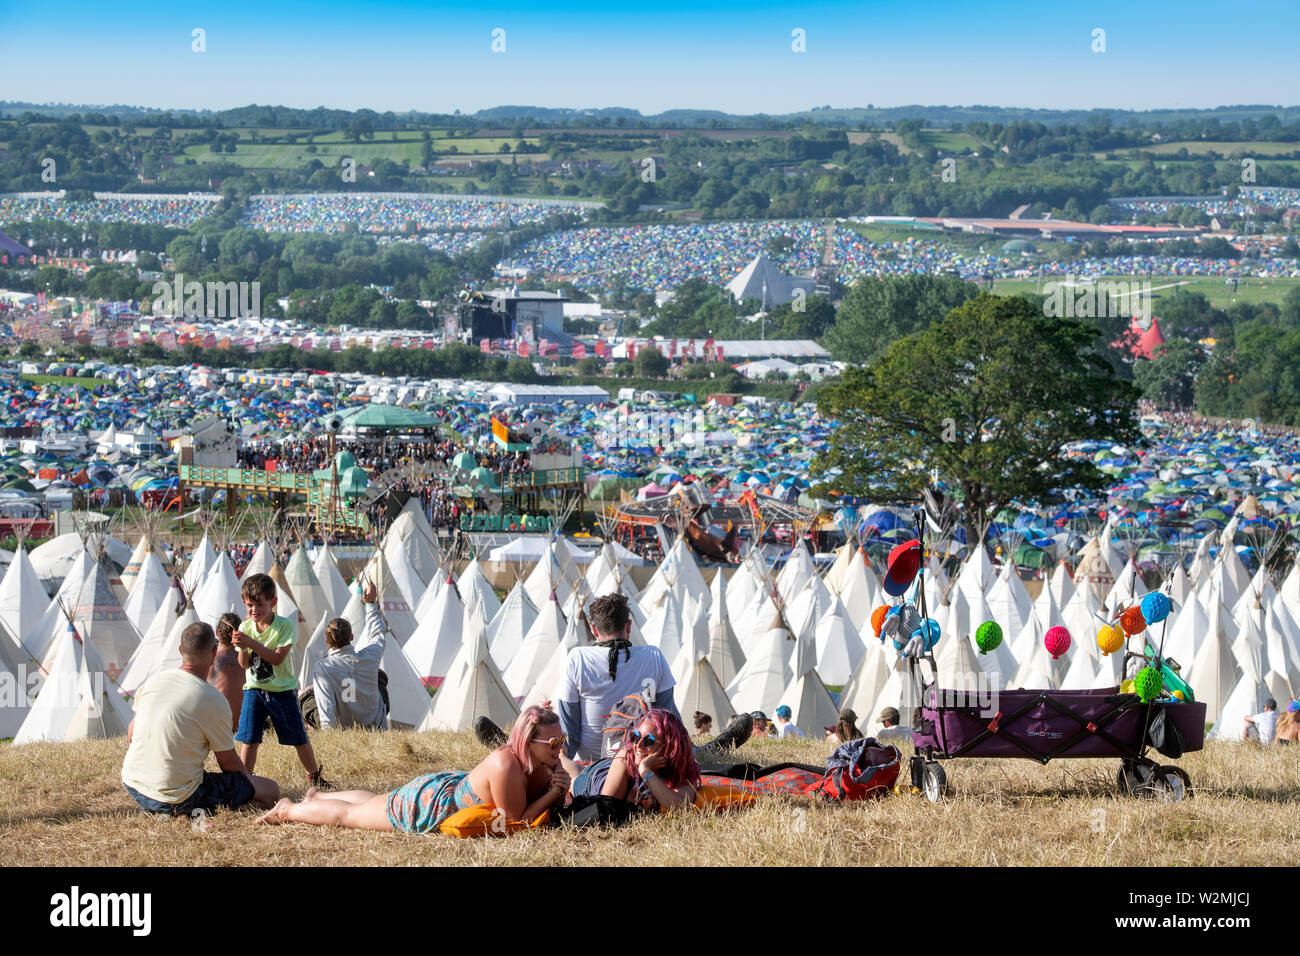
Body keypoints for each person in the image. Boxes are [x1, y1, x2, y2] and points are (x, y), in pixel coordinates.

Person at [258, 706, 570, 831]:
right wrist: (555, 791)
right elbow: (512, 824)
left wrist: (558, 790)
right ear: (529, 741)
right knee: (351, 817)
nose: (561, 747)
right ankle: (289, 809)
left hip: (442, 791)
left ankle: (319, 799)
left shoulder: (541, 760)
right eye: (554, 742)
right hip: (431, 806)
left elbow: (537, 807)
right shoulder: (506, 765)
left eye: (562, 740)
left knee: (376, 801)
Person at [122, 621, 279, 815]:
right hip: (177, 797)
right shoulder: (213, 699)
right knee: (270, 790)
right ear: (214, 652)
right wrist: (248, 781)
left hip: (133, 784)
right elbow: (228, 764)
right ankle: (189, 810)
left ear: (180, 650)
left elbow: (131, 734)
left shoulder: (153, 682)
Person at [233, 573, 326, 788]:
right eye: (249, 605)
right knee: (249, 738)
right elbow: (244, 664)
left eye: (259, 604)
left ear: (273, 603)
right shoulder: (246, 628)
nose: (254, 610)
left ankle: (314, 776)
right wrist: (242, 646)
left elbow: (277, 658)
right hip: (254, 689)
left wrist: (250, 642)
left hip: (281, 690)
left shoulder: (284, 626)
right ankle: (247, 782)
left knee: (298, 737)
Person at [572, 709, 700, 811]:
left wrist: (646, 772)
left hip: (612, 766)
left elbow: (681, 807)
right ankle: (563, 756)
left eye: (648, 741)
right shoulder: (625, 758)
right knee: (573, 777)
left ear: (669, 746)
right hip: (593, 779)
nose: (638, 745)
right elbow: (606, 810)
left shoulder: (682, 765)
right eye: (635, 736)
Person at [310, 578, 387, 730]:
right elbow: (378, 632)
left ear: (326, 640)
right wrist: (370, 604)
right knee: (380, 677)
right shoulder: (370, 657)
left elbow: (326, 706)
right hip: (373, 724)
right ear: (351, 637)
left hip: (343, 726)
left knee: (305, 695)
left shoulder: (323, 667)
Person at [209, 612, 245, 732]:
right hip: (243, 724)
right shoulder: (247, 659)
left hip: (218, 726)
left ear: (217, 632)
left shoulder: (209, 661)